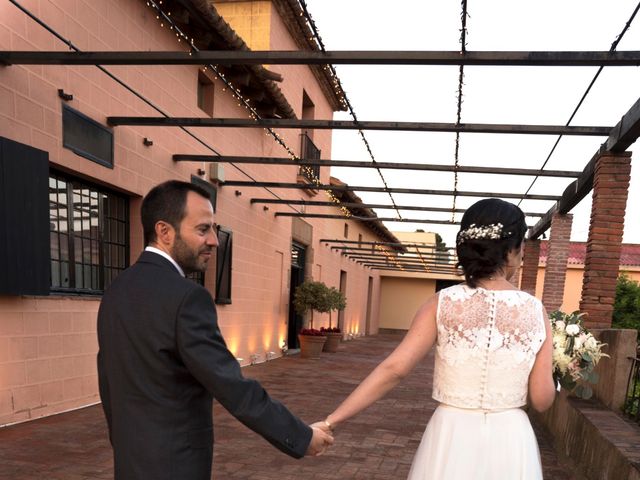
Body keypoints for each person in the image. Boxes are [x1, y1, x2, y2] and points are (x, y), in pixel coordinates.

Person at [97, 180, 333, 480]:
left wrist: (127, 446)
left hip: (131, 461)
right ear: (164, 231)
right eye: (202, 229)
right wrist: (300, 437)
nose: (214, 240)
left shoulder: (116, 290)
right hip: (176, 467)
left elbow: (107, 379)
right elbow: (232, 387)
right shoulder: (187, 298)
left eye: (213, 229)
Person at [320, 198, 556, 479]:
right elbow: (542, 400)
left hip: (452, 432)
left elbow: (394, 369)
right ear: (512, 251)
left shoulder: (441, 303)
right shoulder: (535, 310)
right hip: (511, 437)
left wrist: (331, 421)